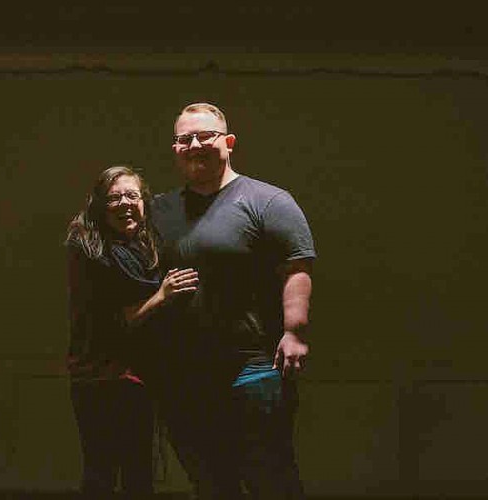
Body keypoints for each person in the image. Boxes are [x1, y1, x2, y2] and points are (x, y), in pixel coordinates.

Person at [150, 103, 316, 499]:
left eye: (204, 136)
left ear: (228, 142)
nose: (194, 144)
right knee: (208, 480)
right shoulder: (159, 209)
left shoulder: (267, 201)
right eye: (184, 139)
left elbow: (297, 268)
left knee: (269, 476)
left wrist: (294, 331)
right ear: (175, 149)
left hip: (253, 365)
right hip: (186, 371)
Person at [65, 165, 198, 499]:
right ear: (99, 204)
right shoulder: (92, 252)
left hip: (137, 377)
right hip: (101, 378)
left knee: (138, 473)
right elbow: (114, 322)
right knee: (102, 472)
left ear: (143, 202)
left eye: (131, 195)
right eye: (114, 197)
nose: (125, 203)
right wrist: (162, 296)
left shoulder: (146, 249)